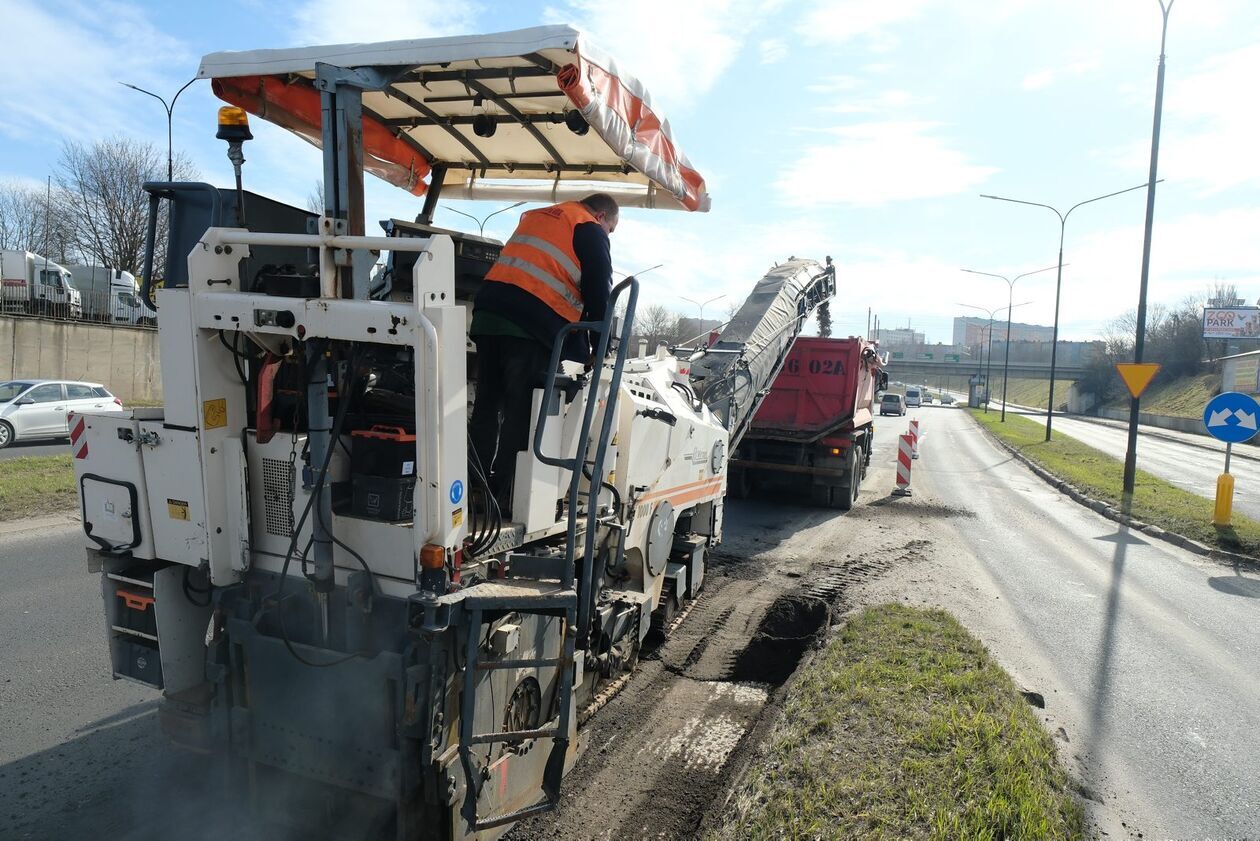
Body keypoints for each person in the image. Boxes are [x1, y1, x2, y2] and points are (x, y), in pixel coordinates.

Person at [469, 193, 619, 515]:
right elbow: (598, 291)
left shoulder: (537, 216)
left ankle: (474, 487)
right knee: (520, 412)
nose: (609, 235)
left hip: (488, 316)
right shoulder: (588, 227)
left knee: (486, 406)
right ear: (603, 215)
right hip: (529, 325)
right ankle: (504, 495)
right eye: (612, 229)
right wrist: (599, 347)